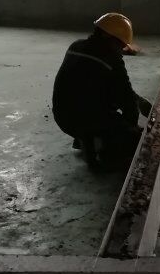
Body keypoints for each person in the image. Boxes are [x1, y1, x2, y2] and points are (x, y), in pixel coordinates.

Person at [52, 13, 151, 171]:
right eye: (120, 44)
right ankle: (103, 150)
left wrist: (139, 100)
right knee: (138, 141)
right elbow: (127, 103)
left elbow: (94, 84)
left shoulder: (75, 46)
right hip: (87, 120)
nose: (121, 49)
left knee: (94, 97)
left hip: (62, 118)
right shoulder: (113, 61)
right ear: (109, 37)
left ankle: (85, 139)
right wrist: (129, 129)